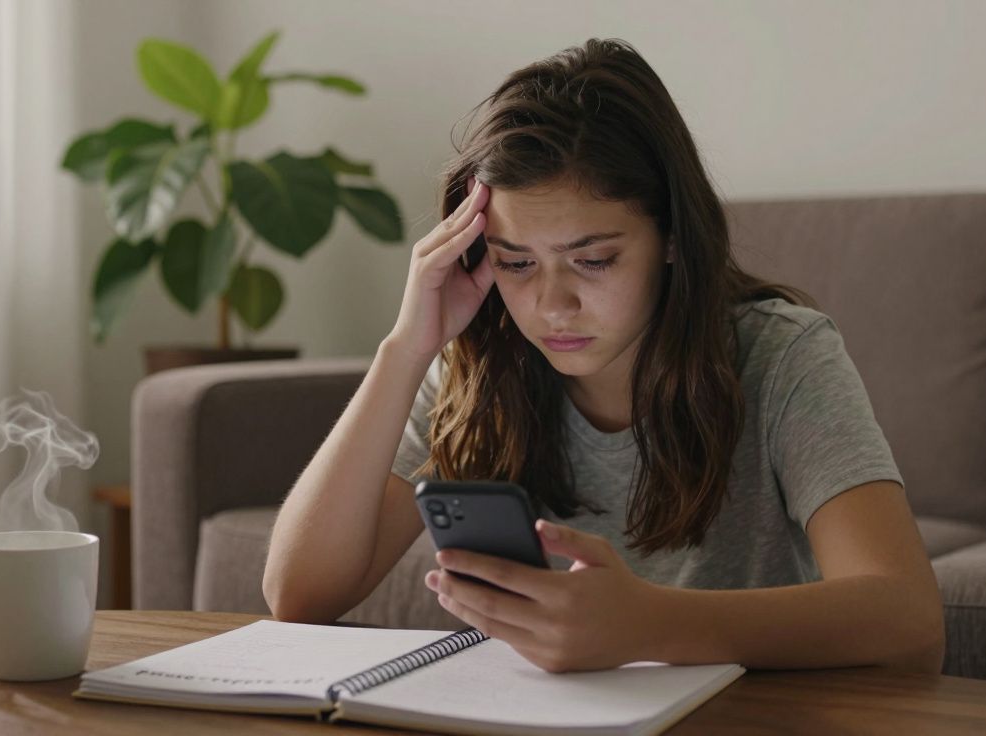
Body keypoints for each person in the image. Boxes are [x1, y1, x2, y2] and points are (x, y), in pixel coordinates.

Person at [263, 38, 945, 674]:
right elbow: (298, 595)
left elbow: (909, 620)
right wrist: (404, 349)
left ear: (672, 238)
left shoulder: (782, 355)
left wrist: (649, 625)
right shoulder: (479, 368)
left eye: (592, 260)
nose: (552, 305)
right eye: (516, 263)